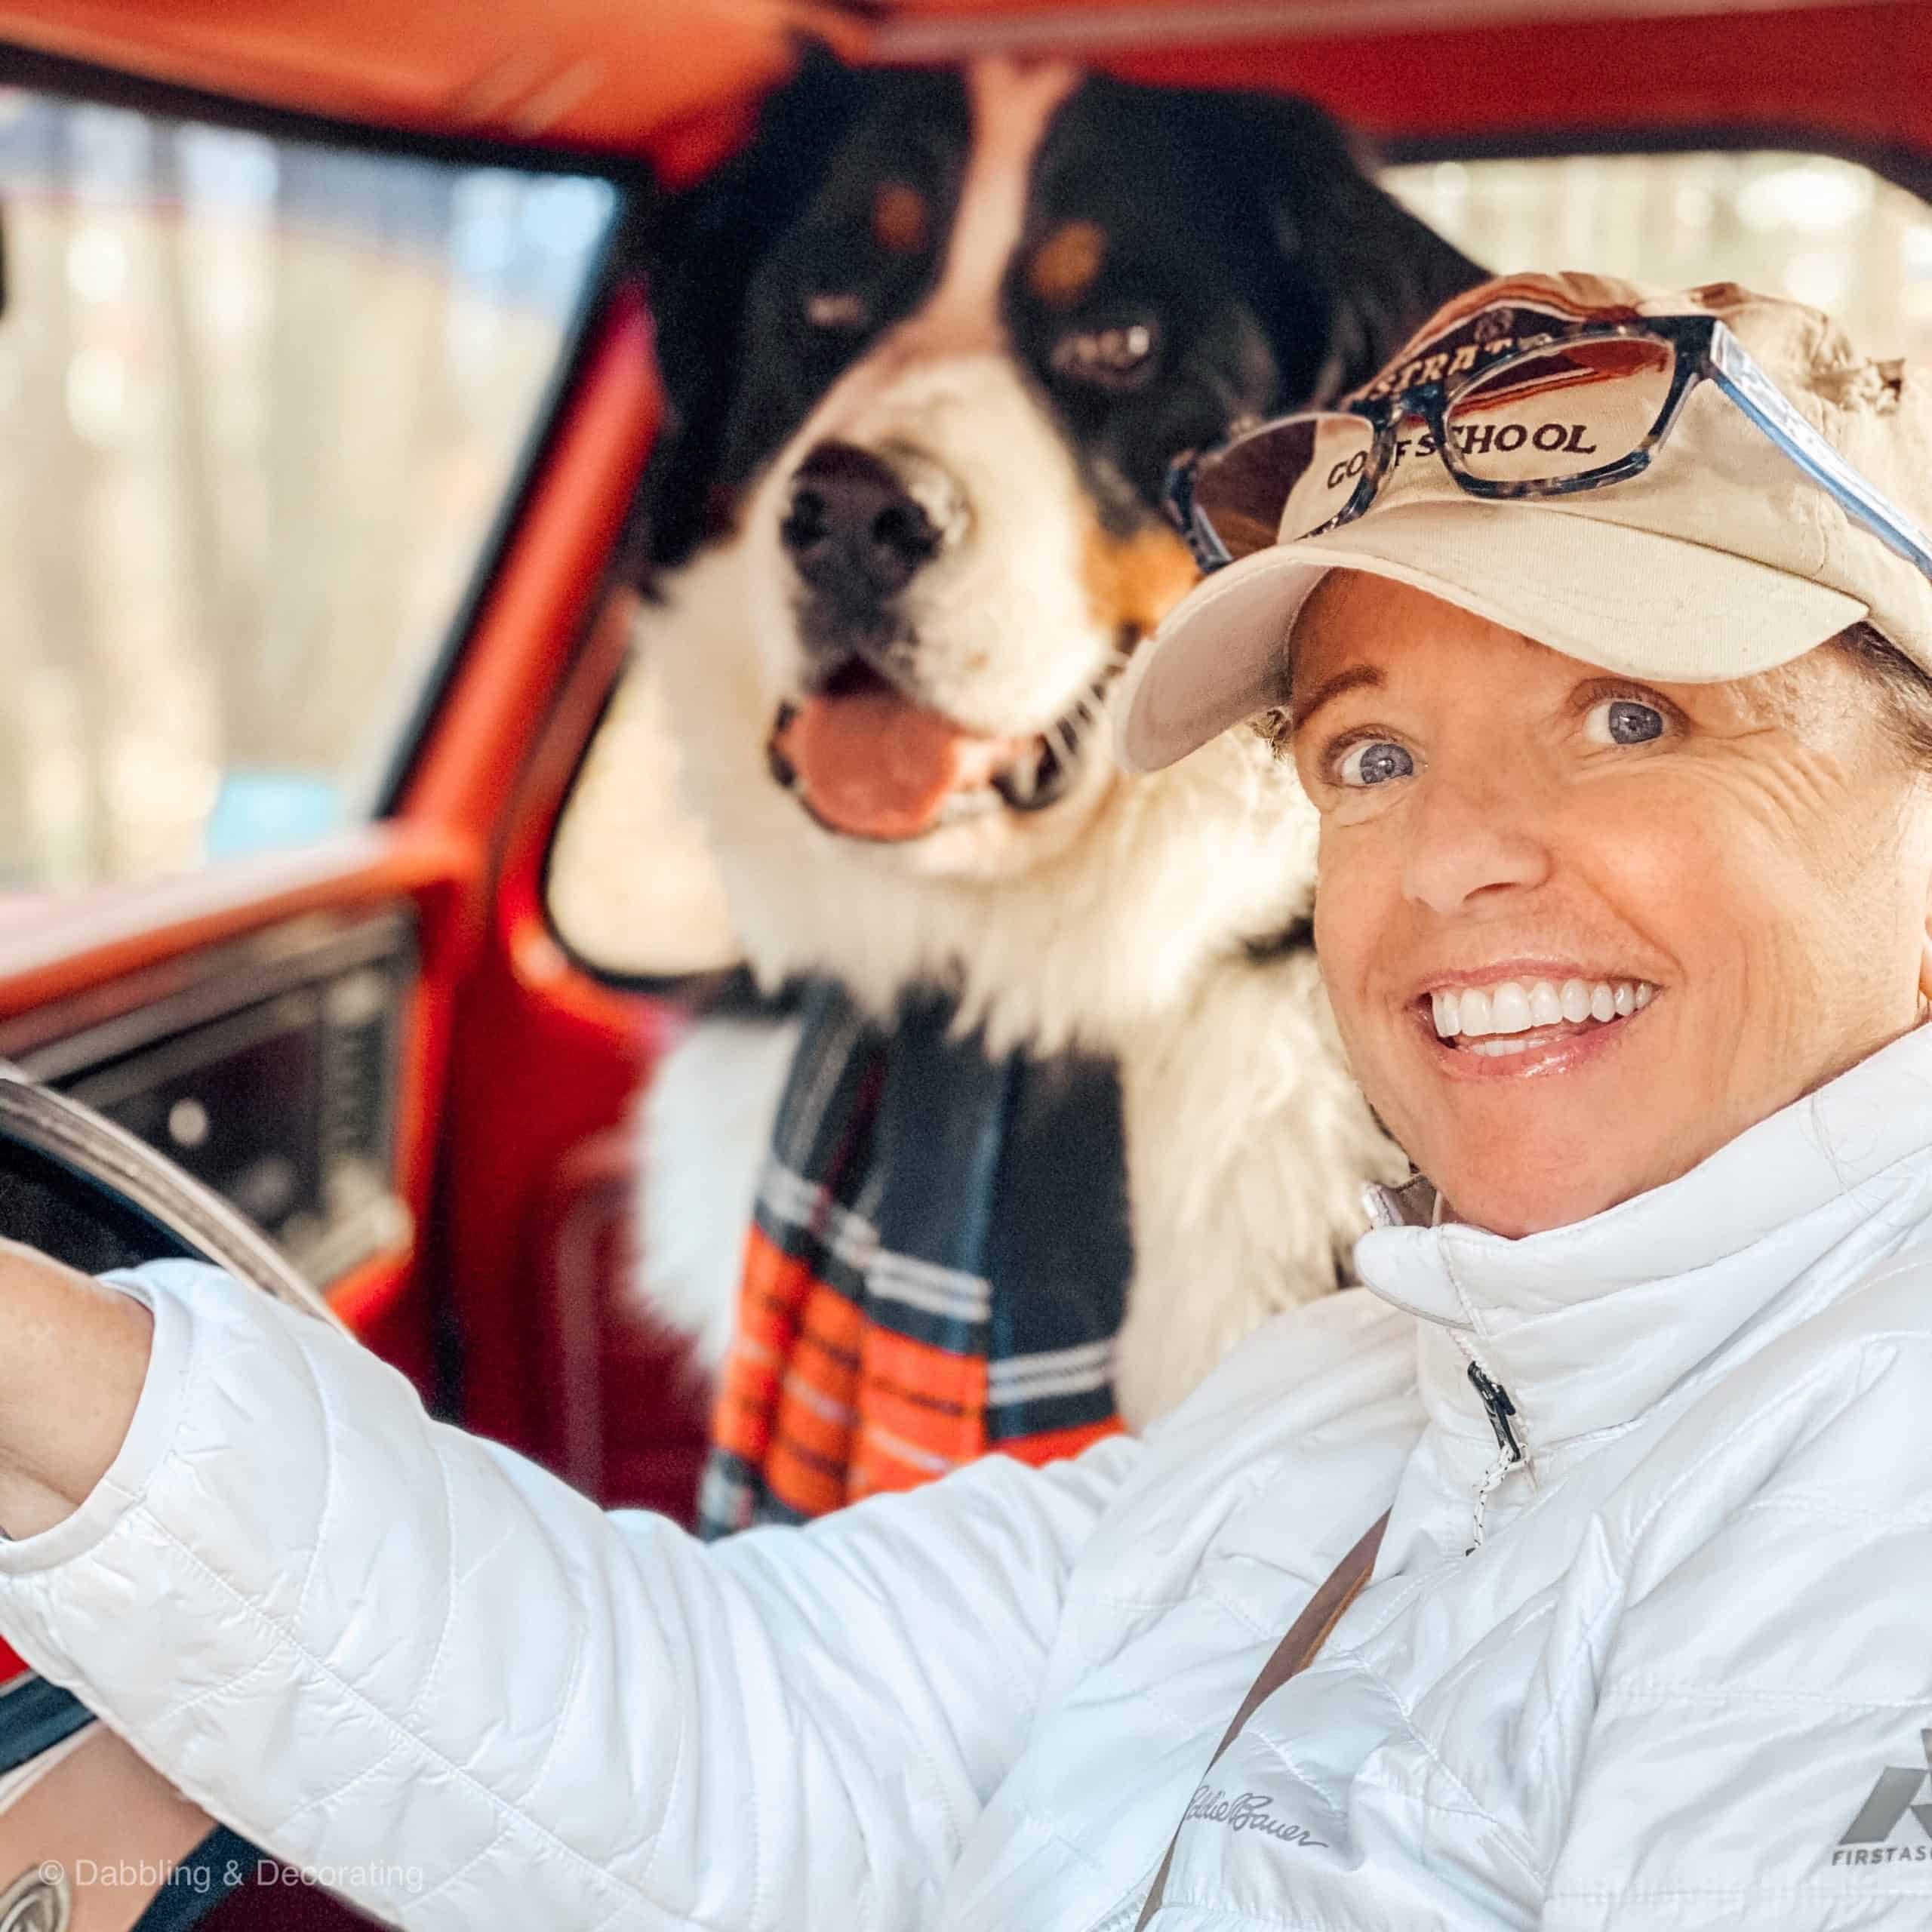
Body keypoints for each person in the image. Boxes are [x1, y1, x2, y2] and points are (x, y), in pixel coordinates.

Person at [7, 268, 1932, 1930]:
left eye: (1630, 715)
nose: (1450, 860)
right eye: (1369, 753)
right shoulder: (1353, 1403)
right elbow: (727, 1725)